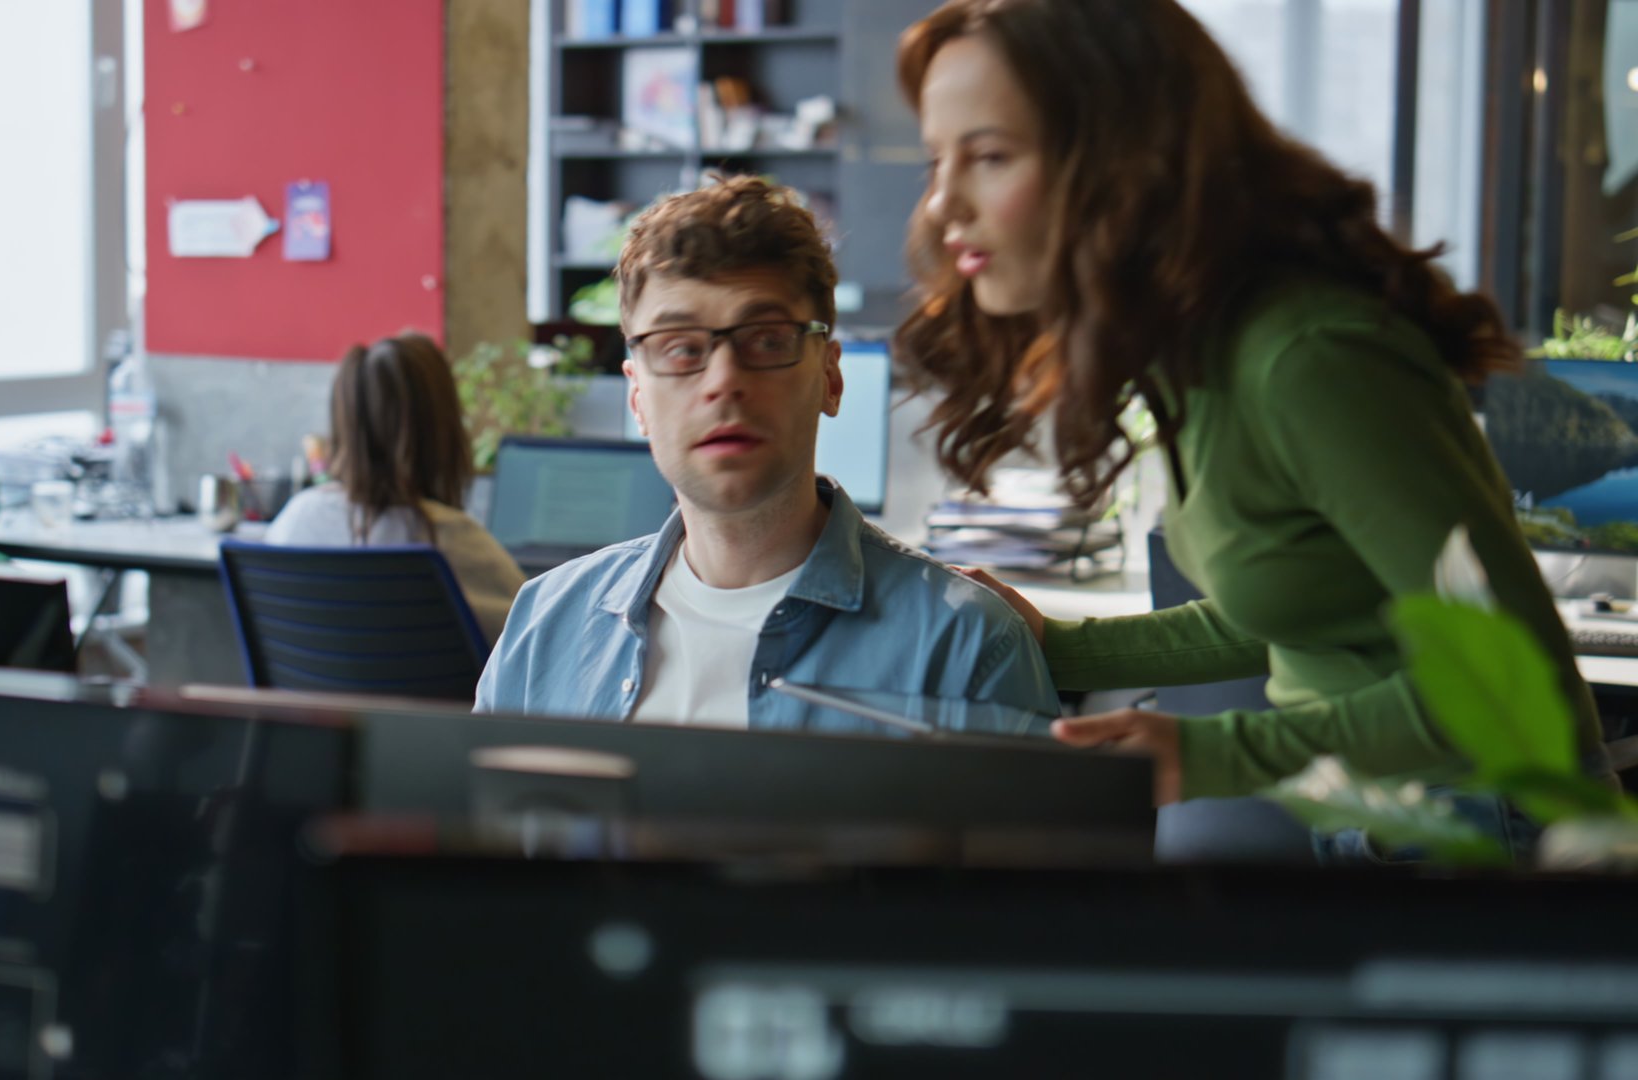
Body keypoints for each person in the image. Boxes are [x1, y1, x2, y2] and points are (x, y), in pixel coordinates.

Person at [895, 0, 1606, 823]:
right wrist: (1061, 644)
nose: (943, 205)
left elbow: (1524, 681)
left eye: (987, 156)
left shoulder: (1309, 358)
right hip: (1374, 814)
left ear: (1129, 163)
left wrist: (1210, 754)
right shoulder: (1194, 348)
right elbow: (1297, 604)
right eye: (935, 161)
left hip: (1498, 827)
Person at [476, 176, 1059, 731]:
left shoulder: (964, 647)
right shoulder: (544, 626)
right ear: (637, 397)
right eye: (680, 348)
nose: (724, 382)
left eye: (767, 341)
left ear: (831, 377)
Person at [266, 333, 526, 642]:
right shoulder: (460, 545)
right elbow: (536, 644)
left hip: (303, 693)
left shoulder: (295, 522)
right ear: (443, 428)